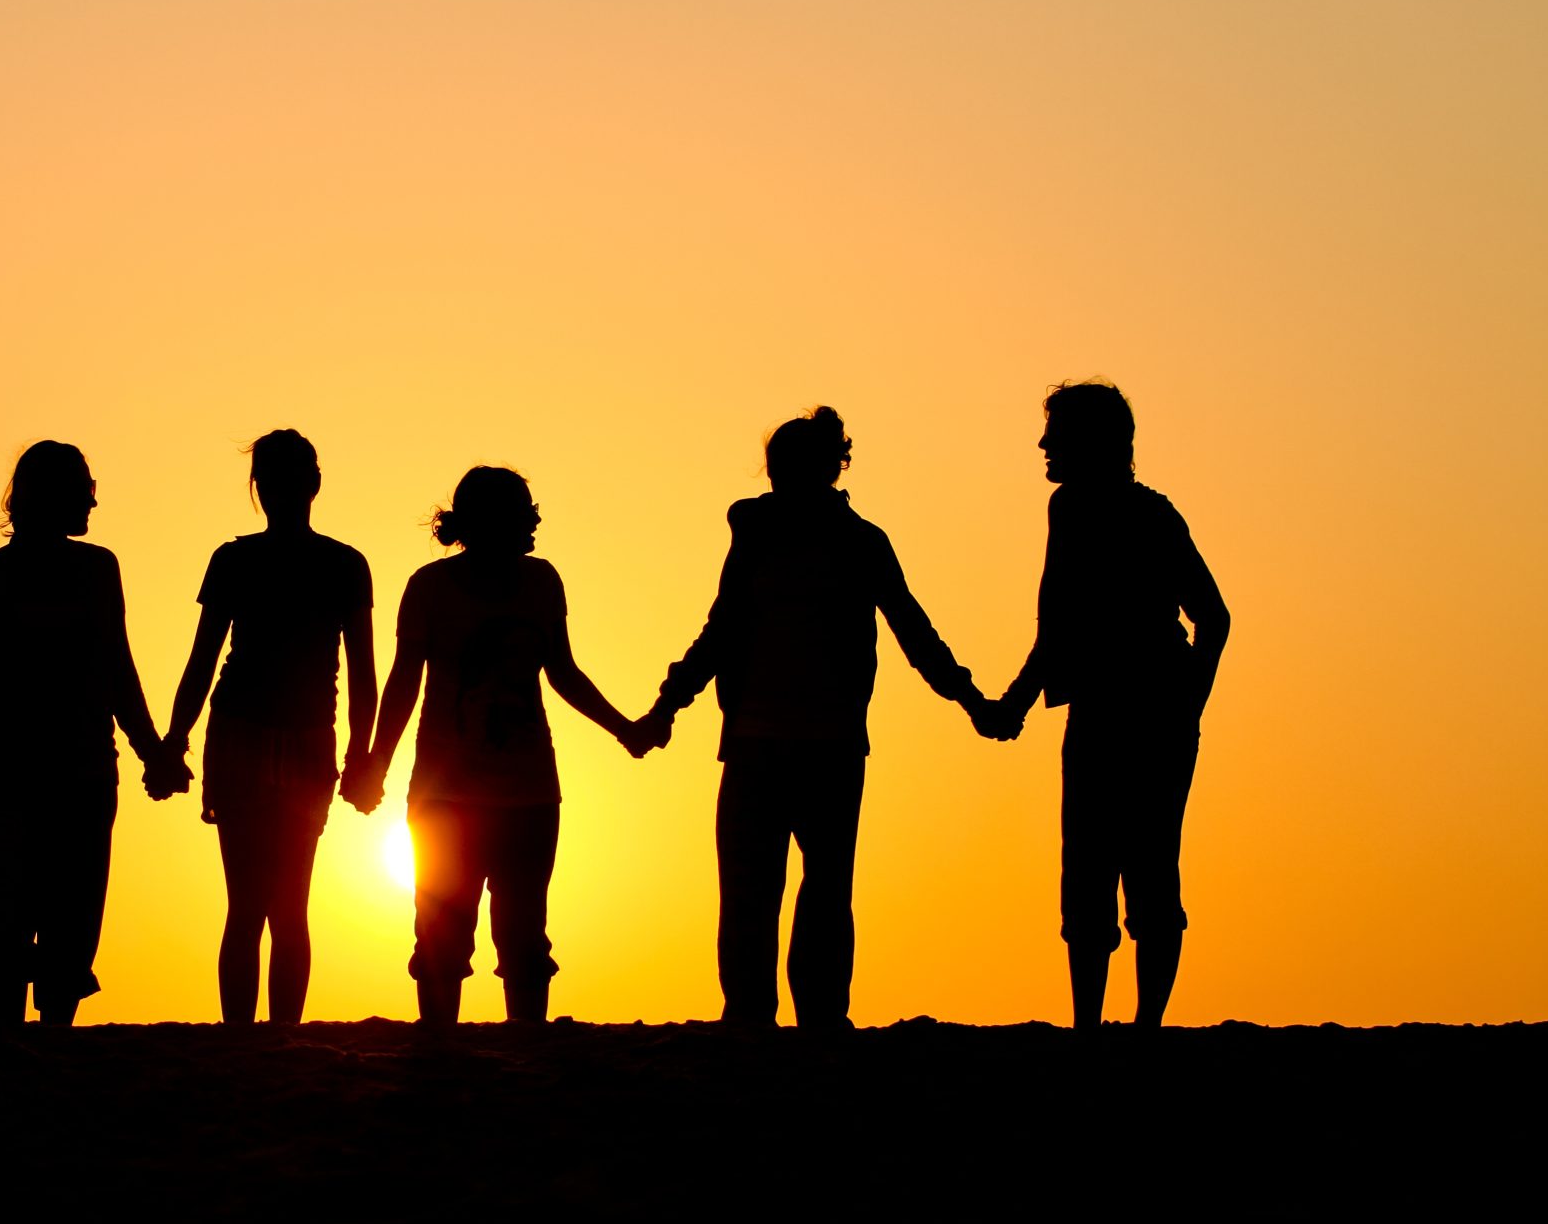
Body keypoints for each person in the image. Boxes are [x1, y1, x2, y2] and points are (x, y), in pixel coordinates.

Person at [626, 407, 986, 1031]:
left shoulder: (862, 543)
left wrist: (971, 699)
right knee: (749, 893)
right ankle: (748, 1018)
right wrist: (668, 704)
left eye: (793, 467)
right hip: (754, 742)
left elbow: (912, 630)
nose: (779, 480)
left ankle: (821, 1018)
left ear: (830, 467)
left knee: (824, 890)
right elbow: (721, 630)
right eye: (776, 470)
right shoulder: (754, 536)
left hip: (832, 744)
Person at [343, 466, 647, 1027]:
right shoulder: (430, 588)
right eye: (523, 509)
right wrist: (375, 767)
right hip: (445, 797)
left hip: (529, 794)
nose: (533, 519)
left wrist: (624, 729)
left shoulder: (542, 582)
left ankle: (524, 1050)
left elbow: (562, 671)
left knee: (524, 935)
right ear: (489, 521)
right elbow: (403, 682)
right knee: (441, 935)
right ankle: (438, 1052)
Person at [0, 442, 186, 1027]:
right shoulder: (41, 572)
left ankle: (25, 1035)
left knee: (35, 907)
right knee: (39, 907)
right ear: (57, 496)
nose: (94, 500)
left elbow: (113, 668)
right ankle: (36, 1034)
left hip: (39, 767)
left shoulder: (38, 571)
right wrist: (152, 753)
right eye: (85, 488)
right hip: (48, 768)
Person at [978, 381, 1229, 1031]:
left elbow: (1213, 616)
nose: (1043, 444)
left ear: (1093, 440)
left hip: (1143, 718)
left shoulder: (1151, 515)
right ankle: (1096, 1027)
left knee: (1141, 869)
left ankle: (1139, 1026)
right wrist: (1016, 703)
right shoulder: (1073, 510)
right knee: (1098, 873)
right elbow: (1058, 626)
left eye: (1056, 432)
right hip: (1100, 713)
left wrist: (1187, 706)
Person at [160, 430, 377, 1025]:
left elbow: (363, 677)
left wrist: (363, 759)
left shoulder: (311, 564)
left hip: (286, 737)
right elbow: (204, 660)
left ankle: (266, 1037)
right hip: (254, 736)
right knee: (267, 906)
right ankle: (265, 1037)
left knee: (269, 906)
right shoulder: (327, 563)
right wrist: (173, 742)